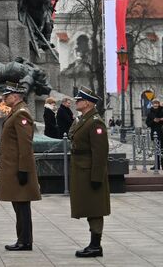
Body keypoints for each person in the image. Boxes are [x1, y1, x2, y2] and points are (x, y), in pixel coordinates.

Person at [0, 82, 41, 251]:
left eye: (6, 96)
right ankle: (22, 239)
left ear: (15, 97)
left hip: (18, 168)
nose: (4, 98)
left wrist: (23, 169)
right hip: (13, 167)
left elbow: (25, 144)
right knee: (19, 204)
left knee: (22, 205)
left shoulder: (21, 114)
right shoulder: (15, 112)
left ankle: (25, 241)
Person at [68, 86, 110, 258]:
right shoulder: (84, 119)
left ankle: (95, 246)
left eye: (79, 100)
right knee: (89, 207)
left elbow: (100, 153)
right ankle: (93, 245)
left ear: (87, 103)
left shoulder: (95, 122)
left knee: (95, 209)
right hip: (82, 171)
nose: (76, 102)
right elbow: (72, 136)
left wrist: (97, 176)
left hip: (90, 172)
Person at [145, 99, 163, 169]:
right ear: (152, 104)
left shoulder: (162, 111)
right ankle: (157, 165)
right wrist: (153, 121)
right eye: (154, 103)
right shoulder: (150, 113)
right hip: (155, 133)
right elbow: (147, 123)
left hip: (162, 131)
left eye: (156, 103)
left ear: (158, 104)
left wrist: (161, 119)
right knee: (156, 150)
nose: (155, 104)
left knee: (162, 150)